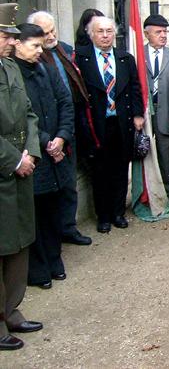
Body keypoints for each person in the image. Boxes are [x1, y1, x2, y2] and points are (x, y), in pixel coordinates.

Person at [14, 24, 74, 290]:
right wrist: (46, 141)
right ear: (18, 44)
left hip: (55, 152)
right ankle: (38, 269)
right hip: (33, 154)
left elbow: (65, 102)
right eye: (35, 45)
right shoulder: (13, 75)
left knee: (53, 210)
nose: (40, 50)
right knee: (34, 214)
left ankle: (54, 260)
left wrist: (62, 136)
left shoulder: (46, 69)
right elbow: (21, 117)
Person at [28, 11, 94, 246]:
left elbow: (67, 97)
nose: (51, 36)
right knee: (48, 189)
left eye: (53, 30)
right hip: (44, 133)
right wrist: (50, 138)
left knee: (68, 182)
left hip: (68, 127)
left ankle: (68, 227)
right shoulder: (33, 61)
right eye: (45, 33)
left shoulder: (64, 50)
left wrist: (64, 133)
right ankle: (51, 235)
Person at [0, 3, 43, 351]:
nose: (12, 41)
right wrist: (14, 160)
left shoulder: (10, 67)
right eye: (5, 35)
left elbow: (29, 113)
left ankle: (11, 311)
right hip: (5, 169)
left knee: (19, 243)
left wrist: (30, 152)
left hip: (20, 168)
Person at [75, 16, 144, 233]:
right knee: (100, 171)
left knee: (121, 169)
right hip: (97, 125)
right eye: (100, 31)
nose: (105, 36)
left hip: (122, 123)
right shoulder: (81, 59)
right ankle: (103, 216)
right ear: (91, 34)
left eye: (109, 31)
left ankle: (118, 213)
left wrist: (138, 114)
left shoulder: (125, 59)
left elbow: (135, 88)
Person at [142, 14, 169, 209]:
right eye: (158, 32)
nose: (163, 35)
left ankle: (167, 194)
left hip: (167, 115)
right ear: (147, 34)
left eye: (165, 31)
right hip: (145, 115)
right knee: (144, 155)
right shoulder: (138, 55)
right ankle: (146, 194)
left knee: (165, 157)